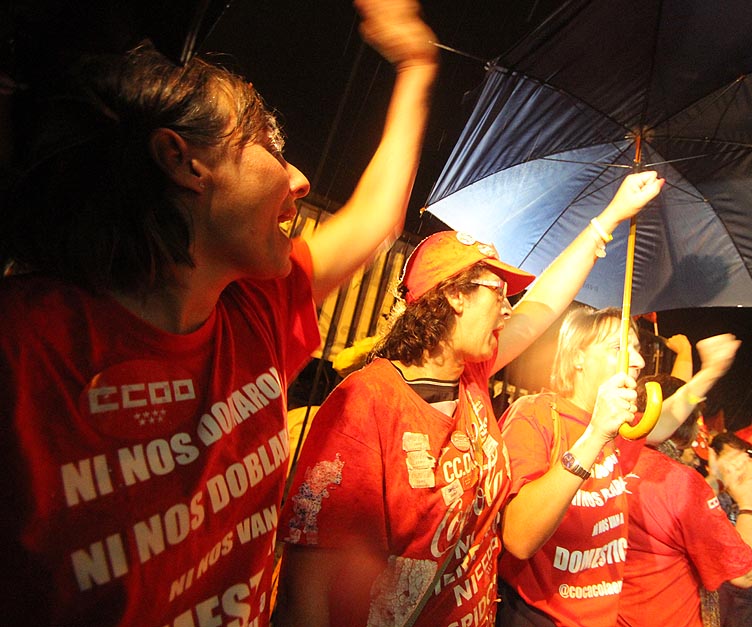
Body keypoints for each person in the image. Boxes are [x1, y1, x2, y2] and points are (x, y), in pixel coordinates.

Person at [0, 3, 439, 625]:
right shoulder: (23, 350)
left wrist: (417, 66)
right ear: (182, 161)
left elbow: (376, 220)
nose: (301, 178)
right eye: (270, 145)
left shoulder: (252, 311)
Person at [275, 171, 666, 627]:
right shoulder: (366, 404)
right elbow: (306, 589)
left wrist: (610, 217)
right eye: (498, 294)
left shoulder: (472, 377)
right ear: (455, 296)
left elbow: (544, 304)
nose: (507, 309)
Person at [495, 312, 732, 627]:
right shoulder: (535, 415)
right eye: (618, 348)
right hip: (538, 615)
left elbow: (670, 416)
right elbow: (520, 538)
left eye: (636, 348)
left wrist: (710, 373)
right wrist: (595, 436)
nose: (637, 361)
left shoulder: (624, 426)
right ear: (578, 357)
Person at [615, 392, 752, 627]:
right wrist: (750, 506)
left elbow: (668, 508)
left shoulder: (615, 458)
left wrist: (714, 481)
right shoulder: (681, 481)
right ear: (687, 425)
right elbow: (744, 574)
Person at [708, 432, 752, 627]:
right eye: (730, 458)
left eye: (740, 457)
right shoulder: (705, 486)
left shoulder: (748, 487)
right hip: (720, 582)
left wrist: (751, 496)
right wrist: (717, 478)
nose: (736, 466)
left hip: (748, 586)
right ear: (715, 458)